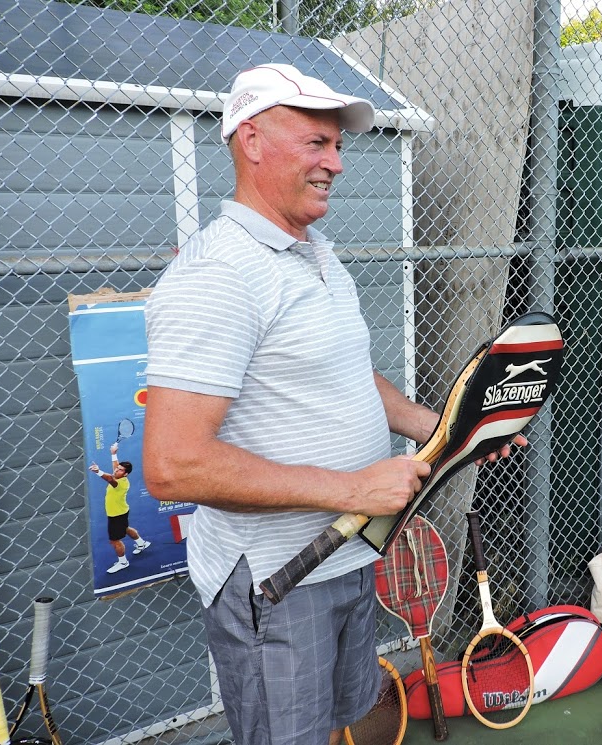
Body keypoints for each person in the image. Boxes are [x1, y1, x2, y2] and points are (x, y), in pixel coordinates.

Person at [142, 63, 520, 745]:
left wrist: (446, 429)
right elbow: (173, 465)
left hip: (349, 554)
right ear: (252, 141)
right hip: (280, 579)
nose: (337, 163)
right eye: (316, 143)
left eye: (338, 146)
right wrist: (351, 489)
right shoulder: (218, 274)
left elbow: (349, 375)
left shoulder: (315, 253)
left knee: (337, 723)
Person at [89, 442, 151, 573]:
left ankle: (123, 562)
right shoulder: (119, 475)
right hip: (122, 511)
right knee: (126, 528)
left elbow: (109, 479)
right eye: (118, 468)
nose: (117, 470)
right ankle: (141, 543)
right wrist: (114, 454)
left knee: (114, 541)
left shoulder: (120, 483)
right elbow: (115, 468)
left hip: (116, 515)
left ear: (126, 474)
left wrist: (98, 471)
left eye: (121, 470)